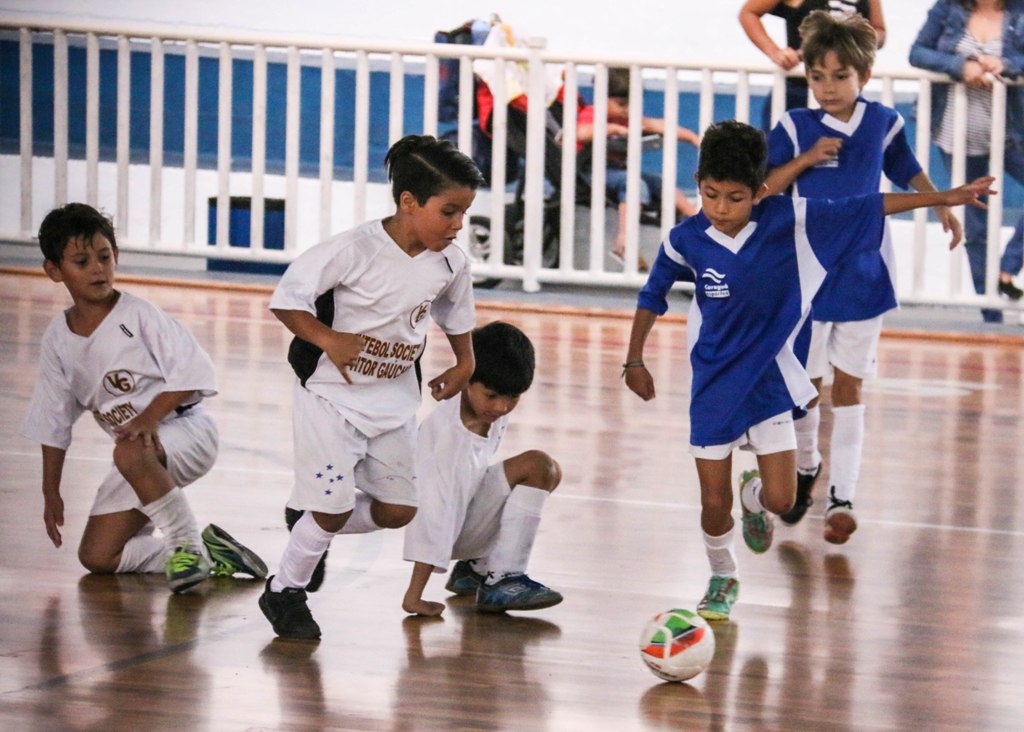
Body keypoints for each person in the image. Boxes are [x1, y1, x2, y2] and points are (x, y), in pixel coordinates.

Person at [622, 119, 993, 621]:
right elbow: (652, 295)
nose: (721, 209)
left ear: (760, 191)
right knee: (711, 501)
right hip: (713, 385)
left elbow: (869, 206)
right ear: (699, 185)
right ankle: (722, 576)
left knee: (783, 498)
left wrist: (943, 196)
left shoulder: (793, 221)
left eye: (735, 197)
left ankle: (753, 496)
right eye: (710, 195)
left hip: (773, 380)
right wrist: (635, 358)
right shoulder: (686, 239)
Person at [258, 134, 484, 640]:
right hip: (330, 395)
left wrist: (464, 363)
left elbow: (456, 316)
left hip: (395, 400)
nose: (458, 225)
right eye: (449, 211)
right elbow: (287, 300)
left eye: (464, 213)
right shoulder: (354, 249)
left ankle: (309, 524)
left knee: (397, 511)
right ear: (408, 202)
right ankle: (285, 591)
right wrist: (328, 339)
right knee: (333, 508)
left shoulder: (451, 263)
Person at [763, 11, 959, 543]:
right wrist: (806, 159)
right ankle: (806, 468)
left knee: (849, 388)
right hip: (804, 276)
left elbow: (906, 167)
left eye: (839, 76)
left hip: (863, 275)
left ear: (864, 77)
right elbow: (765, 188)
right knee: (805, 388)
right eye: (817, 76)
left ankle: (842, 496)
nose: (827, 87)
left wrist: (940, 204)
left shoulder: (883, 122)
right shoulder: (793, 127)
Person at [20, 203, 267, 594]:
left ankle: (184, 545)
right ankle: (208, 551)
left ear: (116, 256)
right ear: (54, 271)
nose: (98, 269)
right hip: (139, 454)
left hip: (186, 431)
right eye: (82, 262)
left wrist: (149, 418)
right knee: (99, 557)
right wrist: (50, 490)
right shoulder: (58, 340)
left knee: (130, 450)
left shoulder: (140, 316)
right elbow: (52, 420)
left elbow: (194, 372)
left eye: (104, 257)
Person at [401, 321, 562, 617]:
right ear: (466, 380)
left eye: (512, 398)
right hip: (446, 530)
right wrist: (414, 597)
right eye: (492, 396)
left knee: (548, 470)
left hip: (462, 519)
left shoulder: (482, 412)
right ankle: (503, 578)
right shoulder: (449, 444)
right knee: (537, 466)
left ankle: (475, 570)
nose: (501, 408)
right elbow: (433, 515)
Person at [910, 0, 1024, 323]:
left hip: (1012, 130)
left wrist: (1006, 63)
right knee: (977, 228)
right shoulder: (947, 8)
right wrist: (962, 66)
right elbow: (917, 52)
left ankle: (1006, 269)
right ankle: (992, 315)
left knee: (980, 226)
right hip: (958, 134)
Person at [576, 67, 700, 271]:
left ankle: (696, 218)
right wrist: (612, 129)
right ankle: (623, 242)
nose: (627, 110)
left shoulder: (629, 118)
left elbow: (659, 125)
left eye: (632, 104)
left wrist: (692, 138)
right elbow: (580, 132)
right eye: (621, 104)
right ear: (601, 98)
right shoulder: (593, 114)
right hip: (591, 173)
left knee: (659, 182)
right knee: (635, 184)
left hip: (619, 174)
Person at [738, 0, 886, 130]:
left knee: (845, 154)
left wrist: (856, 40)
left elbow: (879, 30)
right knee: (780, 154)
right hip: (797, 88)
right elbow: (749, 13)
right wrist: (775, 52)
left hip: (846, 91)